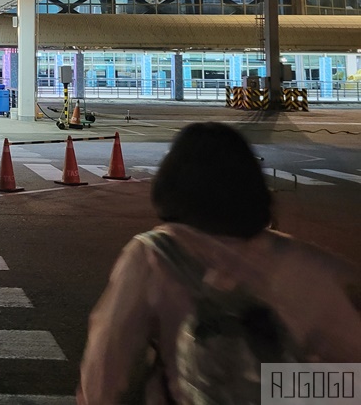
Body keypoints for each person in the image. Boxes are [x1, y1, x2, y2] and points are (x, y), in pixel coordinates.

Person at [77, 122, 361, 404]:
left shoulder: (153, 256)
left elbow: (106, 368)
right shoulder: (313, 267)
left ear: (171, 183)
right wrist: (269, 386)